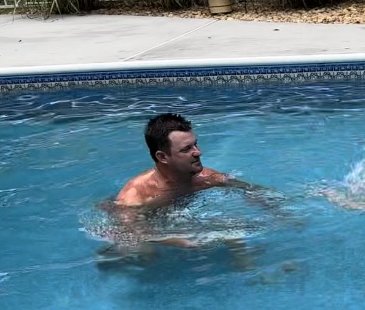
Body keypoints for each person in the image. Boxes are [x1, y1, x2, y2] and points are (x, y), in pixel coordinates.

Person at [96, 113, 289, 269]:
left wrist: (278, 209)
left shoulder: (206, 177)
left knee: (232, 227)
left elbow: (253, 190)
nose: (198, 152)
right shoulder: (136, 195)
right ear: (163, 157)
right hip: (136, 225)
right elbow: (129, 230)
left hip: (172, 217)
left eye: (195, 144)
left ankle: (246, 270)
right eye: (187, 149)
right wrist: (179, 240)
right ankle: (111, 259)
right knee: (145, 254)